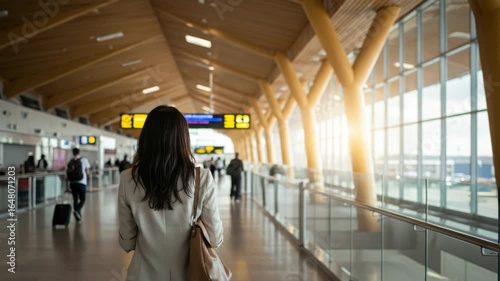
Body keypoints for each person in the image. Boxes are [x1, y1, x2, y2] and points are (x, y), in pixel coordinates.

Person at [118, 105, 223, 281]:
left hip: (143, 274)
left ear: (146, 138)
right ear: (183, 138)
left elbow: (126, 241)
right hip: (191, 274)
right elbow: (215, 238)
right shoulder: (201, 177)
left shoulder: (128, 178)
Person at [67, 148, 91, 223]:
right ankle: (77, 211)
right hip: (81, 182)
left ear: (73, 153)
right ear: (79, 152)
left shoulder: (70, 161)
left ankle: (78, 215)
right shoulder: (84, 160)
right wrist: (88, 178)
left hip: (72, 183)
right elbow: (87, 171)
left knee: (75, 199)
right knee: (83, 199)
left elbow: (67, 172)